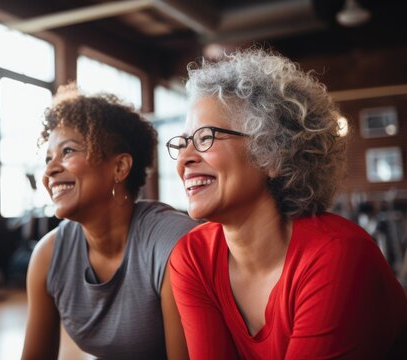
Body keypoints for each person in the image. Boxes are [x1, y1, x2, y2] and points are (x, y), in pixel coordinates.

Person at [166, 48, 407, 359]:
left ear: (272, 155)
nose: (184, 158)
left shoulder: (337, 254)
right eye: (183, 142)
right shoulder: (192, 257)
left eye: (206, 137)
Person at [22, 84, 198, 360]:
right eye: (48, 157)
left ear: (119, 167)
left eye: (67, 151)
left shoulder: (173, 244)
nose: (50, 170)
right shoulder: (47, 256)